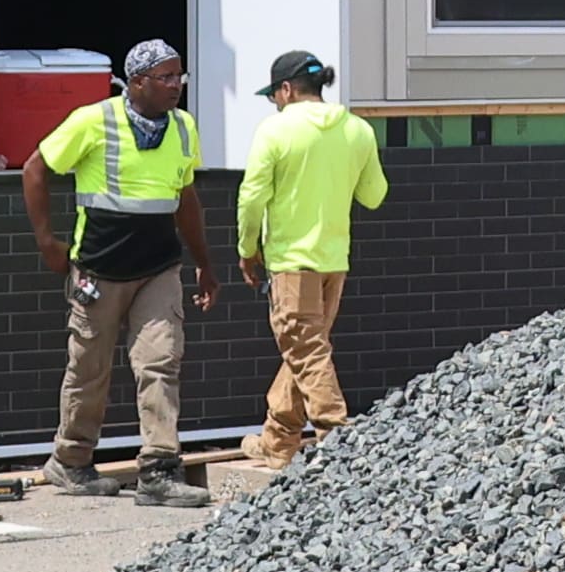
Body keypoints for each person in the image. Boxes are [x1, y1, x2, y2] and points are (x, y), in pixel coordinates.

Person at [22, 37, 220, 499]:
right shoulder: (95, 121)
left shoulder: (184, 127)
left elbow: (185, 198)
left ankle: (158, 471)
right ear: (136, 82)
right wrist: (48, 242)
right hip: (99, 268)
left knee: (160, 363)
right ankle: (70, 460)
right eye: (166, 77)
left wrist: (205, 264)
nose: (176, 86)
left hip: (158, 268)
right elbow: (35, 168)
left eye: (179, 76)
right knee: (89, 368)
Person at [233, 48, 388, 465]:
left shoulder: (276, 131)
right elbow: (375, 196)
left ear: (286, 89)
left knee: (306, 351)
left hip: (290, 262)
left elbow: (251, 198)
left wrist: (248, 250)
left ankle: (337, 439)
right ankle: (277, 443)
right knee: (307, 351)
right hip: (334, 261)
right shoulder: (357, 130)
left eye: (274, 95)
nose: (274, 103)